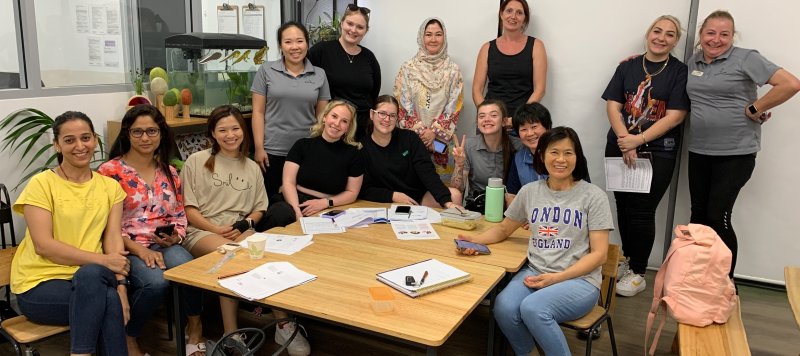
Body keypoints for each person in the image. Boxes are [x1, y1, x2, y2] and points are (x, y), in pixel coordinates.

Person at [458, 126, 613, 356]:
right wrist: (474, 240)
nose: (561, 159)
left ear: (577, 157)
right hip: (536, 271)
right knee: (504, 308)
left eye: (568, 153)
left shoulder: (593, 196)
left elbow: (600, 255)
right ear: (541, 155)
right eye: (554, 152)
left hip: (579, 281)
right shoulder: (530, 192)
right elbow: (503, 229)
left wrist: (556, 278)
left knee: (534, 309)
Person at [180, 105, 310, 355]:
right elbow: (189, 209)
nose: (230, 135)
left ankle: (283, 324)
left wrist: (245, 224)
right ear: (213, 133)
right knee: (232, 255)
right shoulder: (196, 161)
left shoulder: (251, 167)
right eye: (223, 130)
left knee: (268, 256)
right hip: (201, 231)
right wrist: (216, 228)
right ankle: (232, 335)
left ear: (243, 130)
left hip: (238, 231)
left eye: (235, 128)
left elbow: (259, 209)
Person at [686, 10, 800, 278]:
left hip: (736, 153)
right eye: (710, 33)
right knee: (698, 216)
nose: (716, 39)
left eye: (724, 34)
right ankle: (699, 280)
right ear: (701, 34)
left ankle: (726, 283)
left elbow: (790, 84)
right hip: (699, 150)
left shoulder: (746, 58)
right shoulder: (693, 61)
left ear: (732, 36)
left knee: (717, 216)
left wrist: (755, 107)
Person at [10, 111, 130, 356]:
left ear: (95, 140)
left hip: (93, 278)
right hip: (40, 284)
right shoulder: (42, 184)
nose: (80, 146)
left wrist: (122, 288)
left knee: (93, 277)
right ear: (57, 145)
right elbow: (44, 246)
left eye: (85, 138)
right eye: (69, 140)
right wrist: (103, 261)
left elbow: (113, 241)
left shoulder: (110, 187)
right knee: (106, 300)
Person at [97, 105, 205, 356]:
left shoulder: (169, 171)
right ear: (127, 133)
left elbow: (178, 214)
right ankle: (128, 335)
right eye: (138, 132)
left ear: (161, 133)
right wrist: (139, 250)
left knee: (191, 269)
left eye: (152, 131)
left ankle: (195, 327)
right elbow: (103, 225)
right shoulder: (108, 172)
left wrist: (175, 236)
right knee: (155, 283)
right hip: (125, 245)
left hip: (162, 243)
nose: (145, 138)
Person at [603, 15, 690, 297]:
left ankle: (639, 273)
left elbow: (676, 116)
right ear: (648, 33)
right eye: (657, 31)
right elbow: (613, 106)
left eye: (670, 34)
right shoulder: (627, 66)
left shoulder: (679, 72)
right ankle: (629, 261)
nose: (661, 38)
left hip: (658, 151)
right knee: (623, 206)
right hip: (619, 146)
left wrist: (638, 140)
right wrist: (625, 141)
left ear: (676, 41)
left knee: (642, 210)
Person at [252, 21, 331, 198]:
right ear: (280, 46)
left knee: (303, 201)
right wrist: (258, 148)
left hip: (307, 152)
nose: (295, 47)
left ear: (307, 44)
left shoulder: (320, 74)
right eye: (288, 42)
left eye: (299, 41)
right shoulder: (266, 70)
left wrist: (321, 149)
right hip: (272, 151)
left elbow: (322, 117)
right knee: (271, 201)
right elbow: (258, 112)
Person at [359, 95, 463, 209]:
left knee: (455, 196)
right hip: (385, 201)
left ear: (397, 118)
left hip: (417, 199)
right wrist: (394, 196)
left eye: (392, 115)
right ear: (372, 114)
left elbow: (427, 172)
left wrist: (447, 202)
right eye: (382, 113)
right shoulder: (362, 147)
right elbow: (364, 189)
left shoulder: (410, 139)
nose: (387, 119)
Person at [393, 17, 463, 182]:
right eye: (428, 34)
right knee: (412, 188)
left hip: (441, 143)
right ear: (421, 37)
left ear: (444, 37)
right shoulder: (408, 69)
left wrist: (434, 132)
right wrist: (422, 134)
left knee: (443, 189)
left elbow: (455, 106)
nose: (433, 39)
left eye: (438, 34)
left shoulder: (453, 71)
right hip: (413, 140)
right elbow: (402, 105)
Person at [281, 100, 364, 220]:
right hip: (294, 201)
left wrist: (325, 203)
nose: (337, 123)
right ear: (324, 117)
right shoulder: (302, 145)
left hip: (330, 205)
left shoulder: (354, 154)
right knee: (278, 215)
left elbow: (352, 193)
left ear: (348, 128)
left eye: (344, 121)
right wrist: (296, 211)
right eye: (334, 116)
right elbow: (288, 183)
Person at [472, 0, 547, 131]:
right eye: (509, 11)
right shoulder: (487, 48)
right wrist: (489, 117)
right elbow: (476, 90)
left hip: (523, 123)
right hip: (490, 124)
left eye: (519, 13)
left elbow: (540, 89)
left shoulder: (536, 46)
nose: (513, 16)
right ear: (501, 14)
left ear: (525, 18)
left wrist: (518, 118)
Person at [308, 4, 379, 141]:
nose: (353, 30)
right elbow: (304, 81)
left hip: (362, 130)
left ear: (366, 31)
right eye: (350, 24)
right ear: (341, 23)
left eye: (360, 27)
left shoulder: (369, 58)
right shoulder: (321, 51)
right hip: (332, 128)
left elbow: (374, 94)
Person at [451, 99, 520, 209]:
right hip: (477, 206)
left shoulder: (518, 146)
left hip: (509, 208)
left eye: (493, 115)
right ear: (477, 123)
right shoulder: (468, 145)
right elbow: (457, 190)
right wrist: (459, 165)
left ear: (504, 121)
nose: (487, 119)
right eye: (482, 116)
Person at [506, 103, 552, 202]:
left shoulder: (564, 155)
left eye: (534, 127)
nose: (530, 133)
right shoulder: (518, 158)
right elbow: (511, 195)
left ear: (547, 127)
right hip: (527, 211)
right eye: (523, 129)